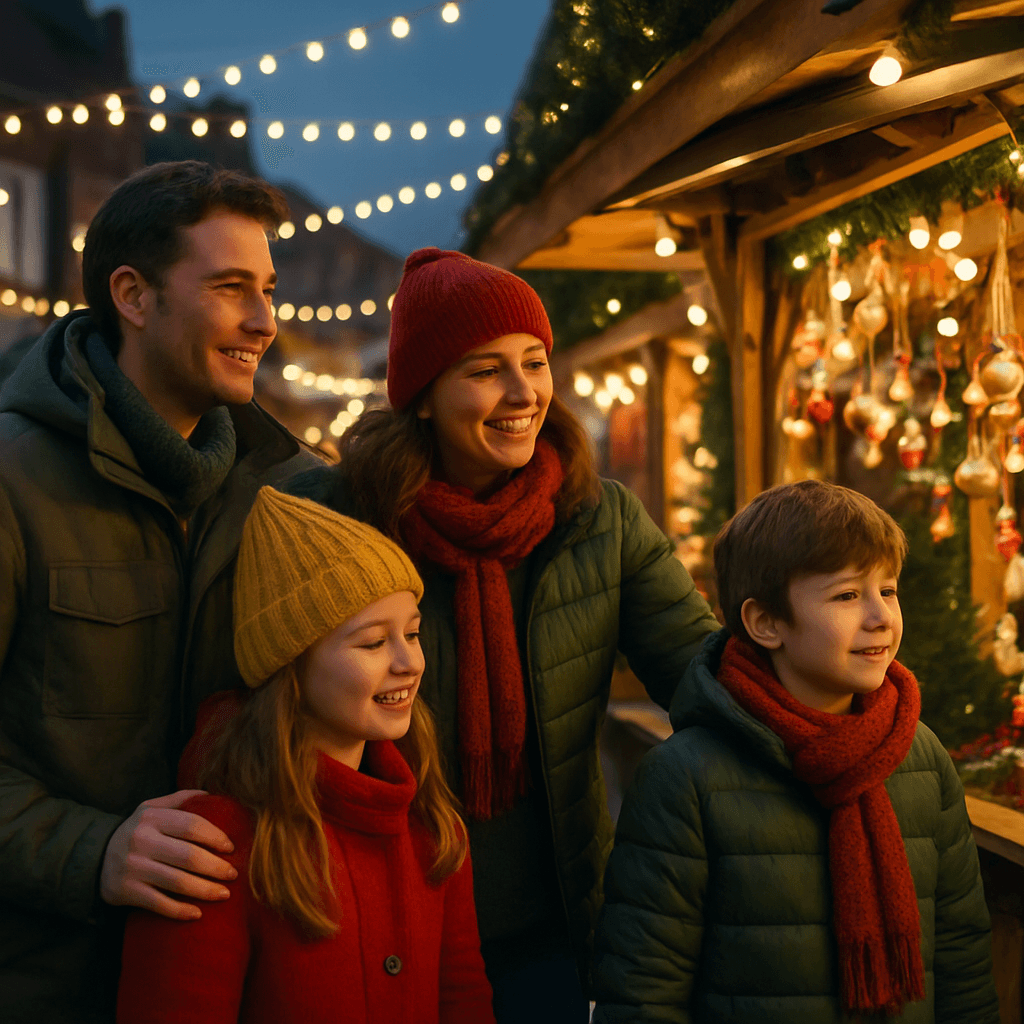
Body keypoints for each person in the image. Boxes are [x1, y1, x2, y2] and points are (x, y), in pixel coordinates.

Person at [284, 248, 721, 1022]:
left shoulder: (599, 519)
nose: (524, 393)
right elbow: (261, 702)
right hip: (368, 924)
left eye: (534, 362)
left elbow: (703, 673)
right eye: (485, 370)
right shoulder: (340, 519)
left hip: (545, 933)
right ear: (423, 395)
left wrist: (826, 709)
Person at [0, 161, 319, 1022]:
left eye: (268, 289)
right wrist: (89, 850)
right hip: (48, 984)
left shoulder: (288, 492)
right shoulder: (12, 480)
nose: (264, 321)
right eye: (229, 288)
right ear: (134, 296)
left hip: (234, 985)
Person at [592, 480, 1000, 1024]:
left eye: (889, 590)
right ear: (765, 623)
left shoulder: (919, 754)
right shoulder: (686, 777)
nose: (880, 616)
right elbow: (643, 993)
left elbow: (962, 959)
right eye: (848, 595)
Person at [116, 487, 495, 1024]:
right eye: (371, 643)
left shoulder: (434, 829)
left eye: (412, 632)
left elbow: (464, 1001)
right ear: (290, 668)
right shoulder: (211, 844)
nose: (410, 661)